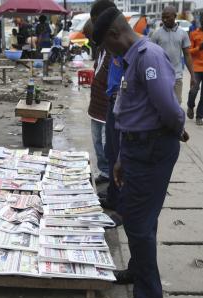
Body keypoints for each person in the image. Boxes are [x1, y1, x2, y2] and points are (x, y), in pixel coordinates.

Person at [93, 7, 188, 298]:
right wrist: (121, 157)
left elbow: (168, 106)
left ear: (114, 35)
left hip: (152, 149)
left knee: (137, 222)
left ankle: (149, 294)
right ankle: (137, 271)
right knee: (141, 218)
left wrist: (177, 130)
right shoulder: (132, 57)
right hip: (135, 149)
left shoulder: (148, 56)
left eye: (106, 46)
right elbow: (130, 110)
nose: (108, 52)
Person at [90, 0, 121, 211]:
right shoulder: (106, 45)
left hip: (116, 107)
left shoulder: (131, 51)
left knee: (115, 153)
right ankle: (113, 197)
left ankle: (120, 205)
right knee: (109, 151)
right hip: (108, 103)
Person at [150, 6, 196, 105]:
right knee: (162, 104)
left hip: (177, 76)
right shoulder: (156, 34)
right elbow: (150, 55)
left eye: (167, 17)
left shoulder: (183, 33)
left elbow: (187, 55)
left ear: (175, 16)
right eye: (163, 17)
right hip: (160, 76)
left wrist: (192, 75)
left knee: (176, 103)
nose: (165, 19)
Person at [83, 19, 110, 185]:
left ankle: (109, 172)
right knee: (97, 141)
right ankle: (104, 171)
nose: (88, 41)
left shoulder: (113, 50)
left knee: (107, 143)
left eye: (90, 37)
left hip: (107, 105)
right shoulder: (100, 50)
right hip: (96, 105)